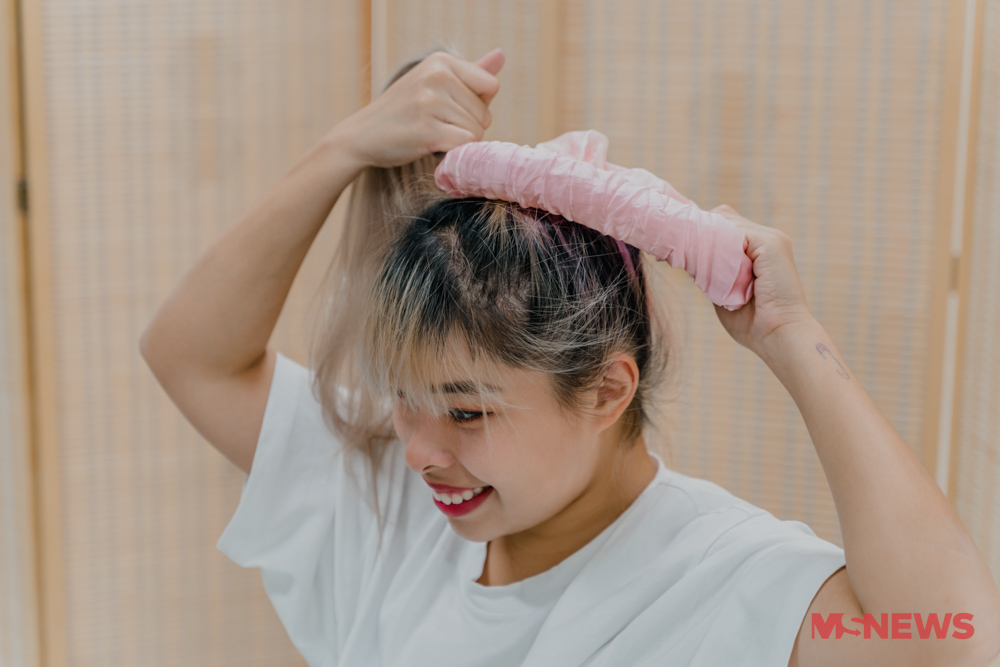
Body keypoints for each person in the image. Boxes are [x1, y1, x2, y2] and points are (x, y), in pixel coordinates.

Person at [140, 46, 1000, 667]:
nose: (420, 449)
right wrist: (346, 147)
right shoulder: (391, 506)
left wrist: (791, 334)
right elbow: (191, 356)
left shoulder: (721, 577)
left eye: (467, 410)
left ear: (606, 391)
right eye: (404, 396)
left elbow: (953, 642)